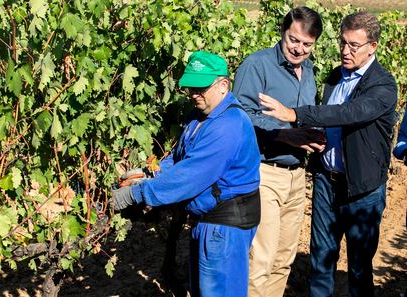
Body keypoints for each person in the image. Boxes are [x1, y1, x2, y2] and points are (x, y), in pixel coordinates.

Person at [260, 11, 398, 297]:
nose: (345, 51)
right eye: (342, 43)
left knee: (359, 268)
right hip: (326, 182)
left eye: (353, 46)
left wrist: (294, 114)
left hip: (362, 189)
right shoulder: (335, 76)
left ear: (373, 46)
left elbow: (349, 113)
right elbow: (328, 118)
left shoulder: (383, 85)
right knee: (321, 261)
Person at [112, 51, 261, 297]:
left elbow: (189, 176)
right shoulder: (200, 116)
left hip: (225, 227)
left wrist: (136, 193)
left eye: (201, 87)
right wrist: (151, 172)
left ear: (223, 85)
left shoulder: (228, 125)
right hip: (209, 222)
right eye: (190, 87)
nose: (193, 93)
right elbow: (181, 158)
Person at [232, 6, 324, 297]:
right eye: (293, 40)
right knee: (261, 260)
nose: (299, 49)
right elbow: (241, 116)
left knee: (284, 261)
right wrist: (286, 135)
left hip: (297, 177)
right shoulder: (257, 65)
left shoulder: (309, 71)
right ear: (283, 33)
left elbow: (307, 115)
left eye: (307, 44)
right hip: (264, 173)